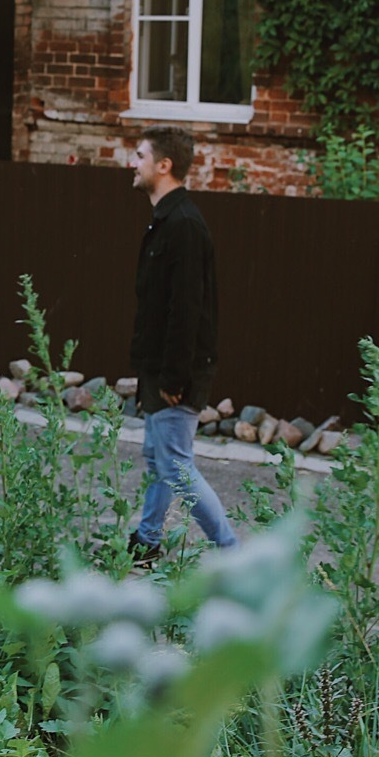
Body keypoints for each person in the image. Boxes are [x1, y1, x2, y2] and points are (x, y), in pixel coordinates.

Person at [126, 126, 238, 560]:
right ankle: (148, 540)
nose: (133, 164)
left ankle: (232, 554)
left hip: (177, 371)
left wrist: (174, 375)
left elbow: (187, 309)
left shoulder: (184, 225)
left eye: (139, 156)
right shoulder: (167, 220)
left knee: (175, 465)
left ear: (164, 165)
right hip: (160, 366)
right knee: (159, 460)